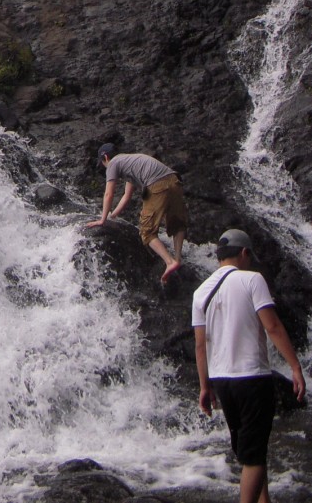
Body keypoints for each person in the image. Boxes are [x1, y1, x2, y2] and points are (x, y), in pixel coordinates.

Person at [192, 228, 306, 503]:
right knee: (253, 457)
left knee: (251, 450)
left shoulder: (200, 292)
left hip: (222, 381)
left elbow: (200, 345)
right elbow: (273, 326)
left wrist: (204, 387)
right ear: (244, 253)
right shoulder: (252, 280)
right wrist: (295, 367)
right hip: (252, 377)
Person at [86, 142, 187, 281]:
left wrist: (102, 220)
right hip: (174, 180)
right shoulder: (130, 162)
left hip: (157, 184)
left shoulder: (113, 163)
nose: (104, 166)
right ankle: (177, 258)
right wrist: (113, 215)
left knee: (146, 231)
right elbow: (126, 197)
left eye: (102, 162)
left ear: (106, 158)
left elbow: (109, 194)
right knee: (177, 223)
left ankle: (170, 262)